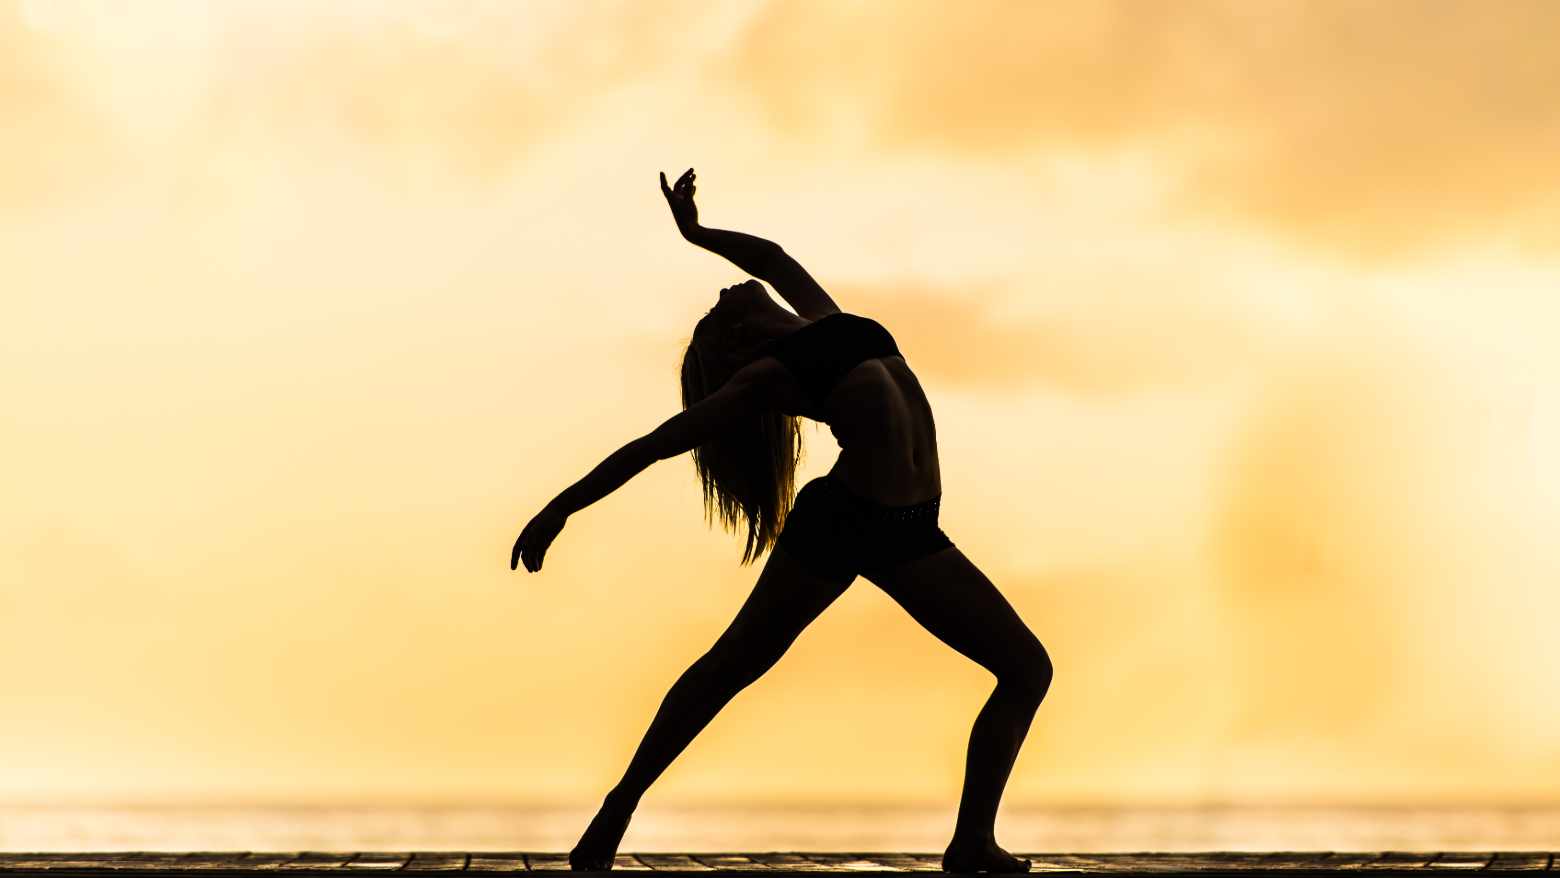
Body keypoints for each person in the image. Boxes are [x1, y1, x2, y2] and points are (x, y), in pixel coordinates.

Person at [512, 168, 1053, 874]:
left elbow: (767, 259)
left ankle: (971, 841)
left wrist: (697, 233)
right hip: (845, 522)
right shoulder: (770, 375)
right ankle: (617, 810)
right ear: (736, 339)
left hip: (914, 531)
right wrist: (561, 507)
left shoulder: (827, 321)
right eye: (720, 302)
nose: (729, 287)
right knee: (732, 665)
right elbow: (655, 444)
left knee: (1025, 668)